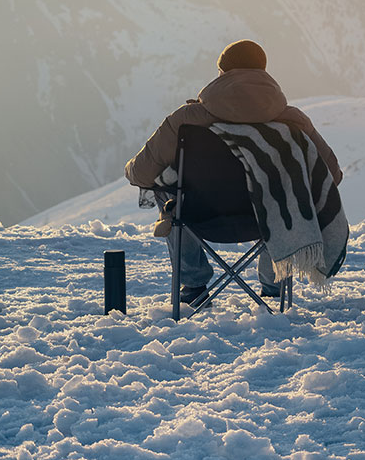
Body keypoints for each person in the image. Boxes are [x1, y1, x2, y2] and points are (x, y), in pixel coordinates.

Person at [125, 39, 344, 304]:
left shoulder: (186, 119)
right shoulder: (292, 122)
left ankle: (194, 284)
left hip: (198, 217)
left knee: (168, 191)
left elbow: (141, 174)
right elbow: (331, 175)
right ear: (264, 75)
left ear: (222, 75)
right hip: (264, 222)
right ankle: (274, 283)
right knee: (286, 193)